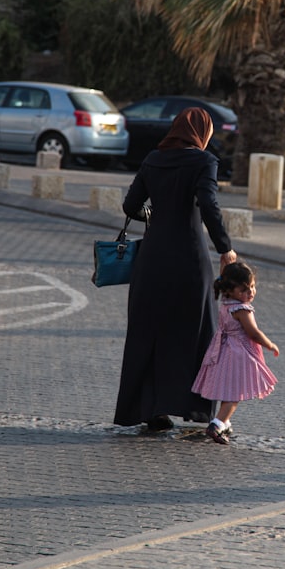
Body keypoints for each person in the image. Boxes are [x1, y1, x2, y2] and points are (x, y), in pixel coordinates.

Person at [113, 107, 237, 431]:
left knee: (149, 333)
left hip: (152, 259)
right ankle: (194, 408)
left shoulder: (154, 158)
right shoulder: (203, 161)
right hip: (189, 260)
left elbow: (130, 205)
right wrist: (225, 247)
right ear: (203, 133)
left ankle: (151, 411)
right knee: (194, 331)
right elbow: (208, 204)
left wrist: (155, 216)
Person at [191, 261, 279, 445]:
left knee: (228, 390)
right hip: (238, 354)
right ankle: (216, 424)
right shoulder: (242, 310)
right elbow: (253, 333)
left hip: (223, 350)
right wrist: (269, 344)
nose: (251, 292)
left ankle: (225, 422)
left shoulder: (226, 304)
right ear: (230, 290)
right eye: (244, 289)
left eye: (253, 287)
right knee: (235, 394)